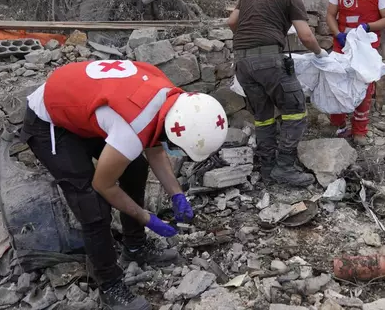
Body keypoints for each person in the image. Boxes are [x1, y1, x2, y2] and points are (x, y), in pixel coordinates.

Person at [20, 59, 229, 310]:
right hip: (50, 120)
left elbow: (154, 147)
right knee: (92, 205)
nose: (173, 149)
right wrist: (146, 217)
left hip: (87, 107)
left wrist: (177, 194)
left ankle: (135, 246)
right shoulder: (132, 127)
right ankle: (110, 284)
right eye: (176, 145)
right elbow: (104, 185)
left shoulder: (175, 101)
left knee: (136, 167)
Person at [227, 0, 327, 187]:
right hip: (270, 61)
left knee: (263, 116)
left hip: (242, 62)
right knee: (295, 111)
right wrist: (320, 53)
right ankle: (285, 167)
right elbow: (305, 35)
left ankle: (267, 166)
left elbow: (232, 22)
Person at [326, 0, 385, 146]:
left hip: (366, 49)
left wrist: (368, 26)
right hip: (342, 45)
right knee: (337, 84)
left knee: (364, 88)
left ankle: (360, 131)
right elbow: (331, 14)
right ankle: (337, 125)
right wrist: (337, 34)